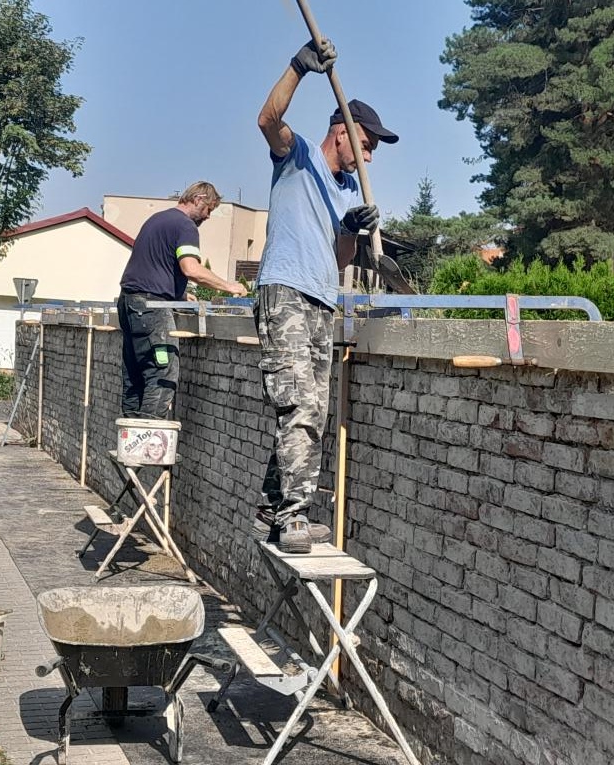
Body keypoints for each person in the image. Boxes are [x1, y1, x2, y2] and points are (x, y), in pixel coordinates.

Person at [253, 38, 399, 553]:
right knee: (298, 404)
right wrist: (298, 67)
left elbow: (339, 261)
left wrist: (352, 230)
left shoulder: (348, 191)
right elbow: (267, 119)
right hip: (285, 291)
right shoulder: (297, 158)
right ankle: (294, 515)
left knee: (313, 407)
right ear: (342, 132)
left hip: (320, 298)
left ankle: (273, 509)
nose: (371, 156)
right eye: (368, 144)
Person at [117, 181, 248, 419]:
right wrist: (228, 286)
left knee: (135, 375)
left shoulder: (158, 219)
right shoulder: (185, 225)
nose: (208, 217)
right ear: (198, 199)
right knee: (162, 374)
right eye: (209, 209)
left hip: (130, 303)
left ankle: (130, 433)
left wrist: (178, 293)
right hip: (151, 310)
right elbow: (191, 269)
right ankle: (149, 437)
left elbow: (154, 264)